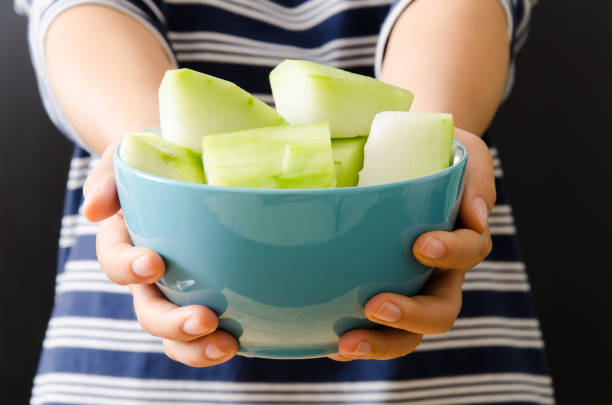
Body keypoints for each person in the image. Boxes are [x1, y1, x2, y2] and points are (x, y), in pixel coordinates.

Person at [17, 0, 553, 403]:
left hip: (445, 372)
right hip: (137, 364)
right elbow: (82, 15)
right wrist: (144, 159)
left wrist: (432, 155)